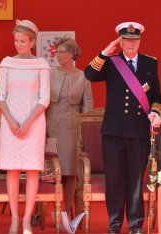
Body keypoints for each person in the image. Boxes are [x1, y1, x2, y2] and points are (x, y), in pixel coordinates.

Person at [84, 22, 161, 234]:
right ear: (120, 41)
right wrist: (104, 53)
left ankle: (136, 224)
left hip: (138, 132)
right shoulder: (111, 62)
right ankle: (115, 223)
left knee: (136, 179)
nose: (130, 43)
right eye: (126, 39)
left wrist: (155, 113)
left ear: (140, 41)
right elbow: (89, 74)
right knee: (115, 179)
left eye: (134, 39)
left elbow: (156, 97)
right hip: (113, 131)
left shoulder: (149, 63)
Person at [0, 19, 50, 234]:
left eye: (23, 41)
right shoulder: (7, 63)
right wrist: (10, 121)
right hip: (10, 122)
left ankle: (27, 219)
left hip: (34, 123)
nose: (19, 44)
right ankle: (15, 219)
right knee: (12, 169)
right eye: (16, 40)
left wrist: (27, 122)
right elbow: (0, 96)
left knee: (32, 170)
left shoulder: (41, 65)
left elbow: (44, 98)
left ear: (32, 41)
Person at [46, 37, 93, 217]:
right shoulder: (49, 73)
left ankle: (66, 209)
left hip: (73, 127)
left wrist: (84, 129)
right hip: (52, 124)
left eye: (61, 52)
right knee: (51, 168)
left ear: (72, 54)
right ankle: (46, 209)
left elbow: (87, 104)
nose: (57, 55)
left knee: (70, 169)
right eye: (56, 52)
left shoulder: (83, 76)